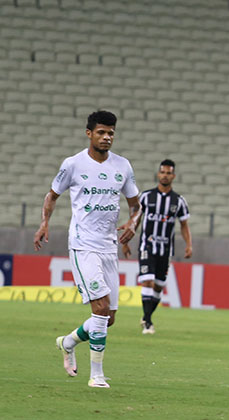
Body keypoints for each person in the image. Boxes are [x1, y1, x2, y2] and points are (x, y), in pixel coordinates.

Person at [34, 110, 140, 389]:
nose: (107, 137)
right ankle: (97, 375)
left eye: (111, 133)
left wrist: (132, 223)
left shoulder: (122, 166)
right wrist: (44, 222)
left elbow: (136, 205)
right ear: (89, 134)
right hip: (83, 245)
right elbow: (52, 195)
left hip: (109, 246)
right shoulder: (73, 164)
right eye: (102, 132)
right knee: (101, 307)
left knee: (109, 318)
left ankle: (68, 342)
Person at [121, 159, 192, 334]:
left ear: (173, 176)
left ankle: (146, 317)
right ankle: (148, 322)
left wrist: (189, 244)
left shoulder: (179, 201)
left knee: (159, 286)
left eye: (169, 173)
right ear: (158, 174)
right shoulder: (145, 197)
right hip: (147, 246)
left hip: (166, 249)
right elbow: (135, 220)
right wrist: (127, 240)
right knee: (148, 280)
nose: (165, 175)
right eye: (163, 172)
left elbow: (184, 225)